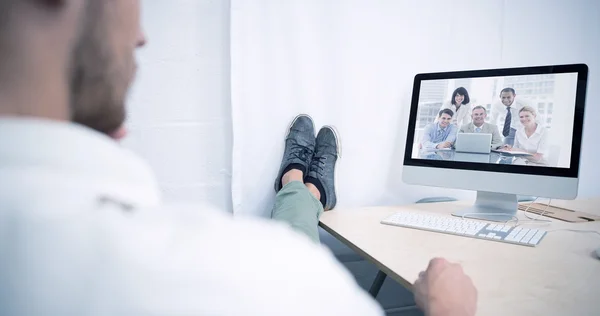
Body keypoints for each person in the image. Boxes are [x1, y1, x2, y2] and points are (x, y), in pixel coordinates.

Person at [0, 1, 477, 315]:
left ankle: (300, 183)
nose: (142, 34)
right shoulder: (267, 280)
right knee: (299, 234)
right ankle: (307, 187)